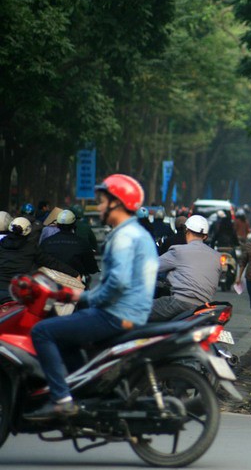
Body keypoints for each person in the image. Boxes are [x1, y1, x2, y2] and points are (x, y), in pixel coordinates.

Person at [27, 174, 158, 420]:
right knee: (67, 337)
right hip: (134, 312)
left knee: (43, 331)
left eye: (101, 201)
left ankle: (62, 400)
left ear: (117, 203)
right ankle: (85, 391)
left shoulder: (123, 237)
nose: (98, 207)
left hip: (115, 314)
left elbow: (116, 284)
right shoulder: (140, 234)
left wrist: (83, 298)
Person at [149, 215, 223, 322]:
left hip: (179, 303)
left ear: (186, 231)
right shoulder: (217, 257)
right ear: (205, 237)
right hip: (203, 307)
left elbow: (150, 267)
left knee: (138, 309)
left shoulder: (178, 251)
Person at [0, 217, 79, 303]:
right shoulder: (31, 248)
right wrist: (74, 273)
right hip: (18, 292)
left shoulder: (1, 245)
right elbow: (52, 262)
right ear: (28, 232)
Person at [39, 210, 99, 280]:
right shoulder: (82, 243)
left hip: (52, 283)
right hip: (75, 283)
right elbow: (92, 268)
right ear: (74, 225)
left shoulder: (46, 243)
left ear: (57, 225)